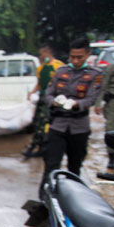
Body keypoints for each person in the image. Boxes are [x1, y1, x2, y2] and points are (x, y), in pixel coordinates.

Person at [41, 37, 102, 192]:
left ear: (87, 55)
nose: (75, 60)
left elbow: (92, 98)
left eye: (79, 57)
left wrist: (76, 104)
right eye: (72, 57)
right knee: (51, 165)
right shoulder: (60, 72)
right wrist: (54, 101)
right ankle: (44, 199)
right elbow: (47, 94)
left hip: (79, 126)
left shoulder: (95, 74)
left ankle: (71, 198)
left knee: (74, 168)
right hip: (58, 124)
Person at [23, 43, 65, 158]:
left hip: (53, 100)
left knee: (45, 124)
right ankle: (39, 147)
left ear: (47, 52)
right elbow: (39, 84)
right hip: (42, 99)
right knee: (37, 123)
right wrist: (31, 93)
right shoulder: (41, 68)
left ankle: (40, 147)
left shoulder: (59, 66)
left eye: (41, 54)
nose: (40, 56)